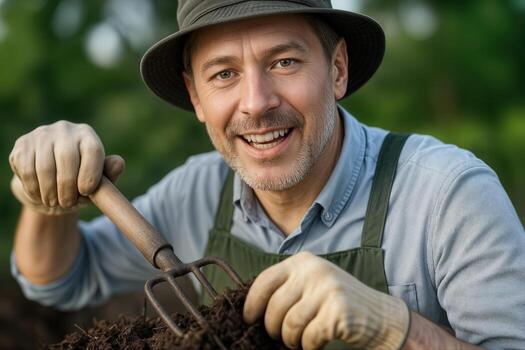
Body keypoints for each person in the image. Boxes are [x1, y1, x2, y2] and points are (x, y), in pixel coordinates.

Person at [8, 1, 525, 349]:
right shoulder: (199, 192)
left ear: (338, 69)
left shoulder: (447, 194)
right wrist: (45, 203)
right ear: (196, 97)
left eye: (283, 62)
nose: (256, 104)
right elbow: (58, 281)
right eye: (224, 74)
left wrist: (395, 327)